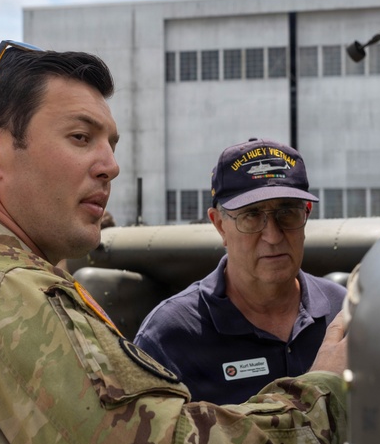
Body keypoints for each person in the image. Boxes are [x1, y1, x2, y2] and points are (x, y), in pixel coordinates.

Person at [0, 41, 349, 444]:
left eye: (110, 144)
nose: (110, 166)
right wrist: (324, 391)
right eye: (80, 137)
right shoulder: (8, 296)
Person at [133, 138, 347, 405]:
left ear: (307, 214)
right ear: (219, 224)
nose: (272, 235)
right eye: (252, 216)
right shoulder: (171, 335)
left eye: (287, 213)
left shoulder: (343, 312)